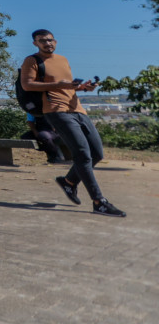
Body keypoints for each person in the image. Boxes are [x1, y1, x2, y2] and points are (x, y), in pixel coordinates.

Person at [20, 29, 125, 217]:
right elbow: (27, 85)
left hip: (77, 109)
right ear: (35, 43)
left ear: (56, 41)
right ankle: (99, 202)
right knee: (83, 155)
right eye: (42, 41)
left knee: (97, 154)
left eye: (50, 40)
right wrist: (60, 85)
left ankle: (68, 182)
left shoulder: (63, 59)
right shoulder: (32, 60)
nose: (47, 43)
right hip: (56, 111)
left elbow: (67, 86)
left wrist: (84, 88)